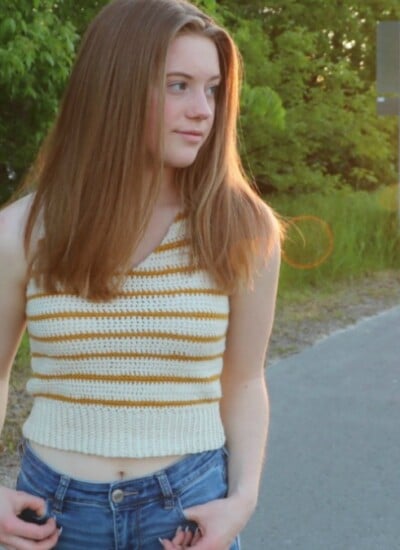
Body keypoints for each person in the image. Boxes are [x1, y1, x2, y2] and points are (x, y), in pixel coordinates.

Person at [0, 0, 282, 548]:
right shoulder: (22, 231)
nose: (203, 109)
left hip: (188, 513)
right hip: (52, 520)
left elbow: (245, 379)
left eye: (212, 88)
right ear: (114, 89)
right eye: (178, 85)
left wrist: (242, 502)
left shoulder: (243, 228)